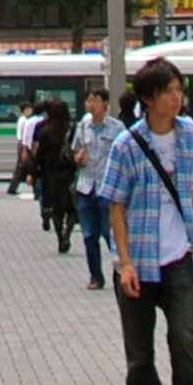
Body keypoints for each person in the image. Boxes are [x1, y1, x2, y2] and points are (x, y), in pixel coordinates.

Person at [98, 56, 193, 385]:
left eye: (179, 90)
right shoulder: (126, 145)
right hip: (138, 262)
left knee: (185, 340)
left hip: (178, 260)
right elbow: (116, 205)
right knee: (139, 357)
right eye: (168, 91)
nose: (176, 98)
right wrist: (124, 262)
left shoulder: (192, 134)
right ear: (148, 98)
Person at [72, 86, 120, 289]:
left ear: (106, 104)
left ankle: (121, 270)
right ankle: (96, 276)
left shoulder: (117, 128)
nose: (91, 104)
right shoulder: (83, 125)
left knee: (109, 234)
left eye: (95, 100)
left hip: (107, 189)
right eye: (89, 101)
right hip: (86, 187)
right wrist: (78, 158)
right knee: (89, 235)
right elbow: (75, 150)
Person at [31, 100, 76, 254]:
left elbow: (40, 155)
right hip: (70, 172)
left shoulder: (46, 131)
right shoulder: (73, 129)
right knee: (71, 208)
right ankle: (67, 233)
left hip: (51, 175)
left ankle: (60, 238)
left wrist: (33, 173)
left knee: (57, 210)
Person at [7, 104, 35, 195]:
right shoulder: (24, 121)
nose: (31, 112)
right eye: (29, 109)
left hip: (21, 143)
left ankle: (13, 187)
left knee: (20, 166)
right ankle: (12, 188)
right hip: (23, 144)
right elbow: (24, 134)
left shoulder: (21, 119)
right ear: (25, 110)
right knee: (20, 166)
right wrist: (25, 148)